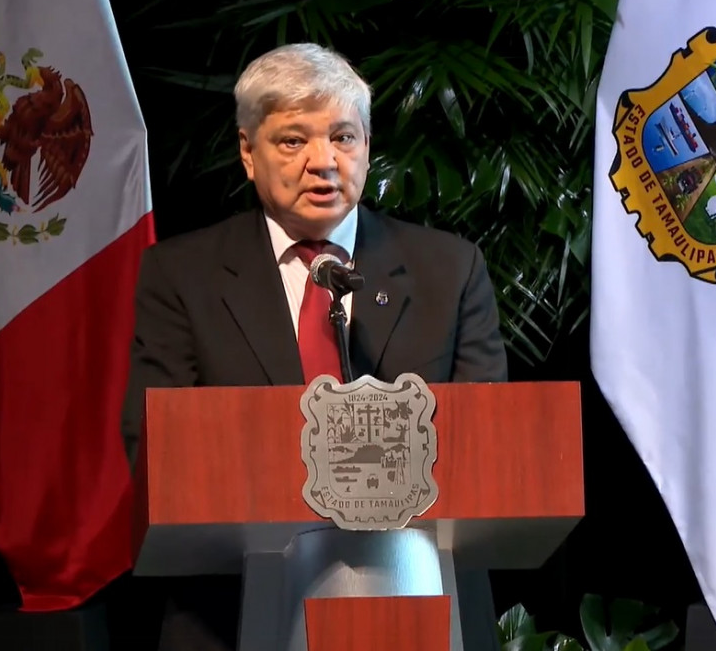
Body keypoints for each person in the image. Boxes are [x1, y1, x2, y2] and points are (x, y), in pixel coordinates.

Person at [118, 42, 508, 650]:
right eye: (293, 141)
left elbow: (488, 445)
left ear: (368, 146)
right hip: (234, 611)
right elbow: (154, 444)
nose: (323, 162)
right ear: (248, 151)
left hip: (423, 599)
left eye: (343, 137)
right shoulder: (182, 276)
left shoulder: (449, 269)